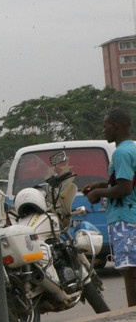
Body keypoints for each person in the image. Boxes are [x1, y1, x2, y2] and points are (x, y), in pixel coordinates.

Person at [82, 108, 136, 307]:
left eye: (106, 126)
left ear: (117, 126)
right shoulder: (131, 148)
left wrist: (98, 193)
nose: (103, 130)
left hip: (125, 219)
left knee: (129, 272)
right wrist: (101, 185)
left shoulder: (121, 153)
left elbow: (124, 188)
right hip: (131, 216)